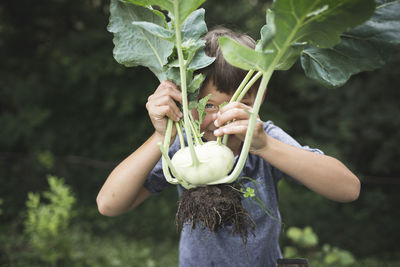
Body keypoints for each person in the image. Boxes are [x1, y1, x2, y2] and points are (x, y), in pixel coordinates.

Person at [96, 27, 360, 266]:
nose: (218, 118)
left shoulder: (261, 138)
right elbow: (109, 204)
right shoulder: (184, 144)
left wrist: (266, 147)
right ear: (186, 99)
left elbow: (348, 188)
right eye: (208, 105)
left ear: (259, 98)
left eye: (238, 103)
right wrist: (160, 136)